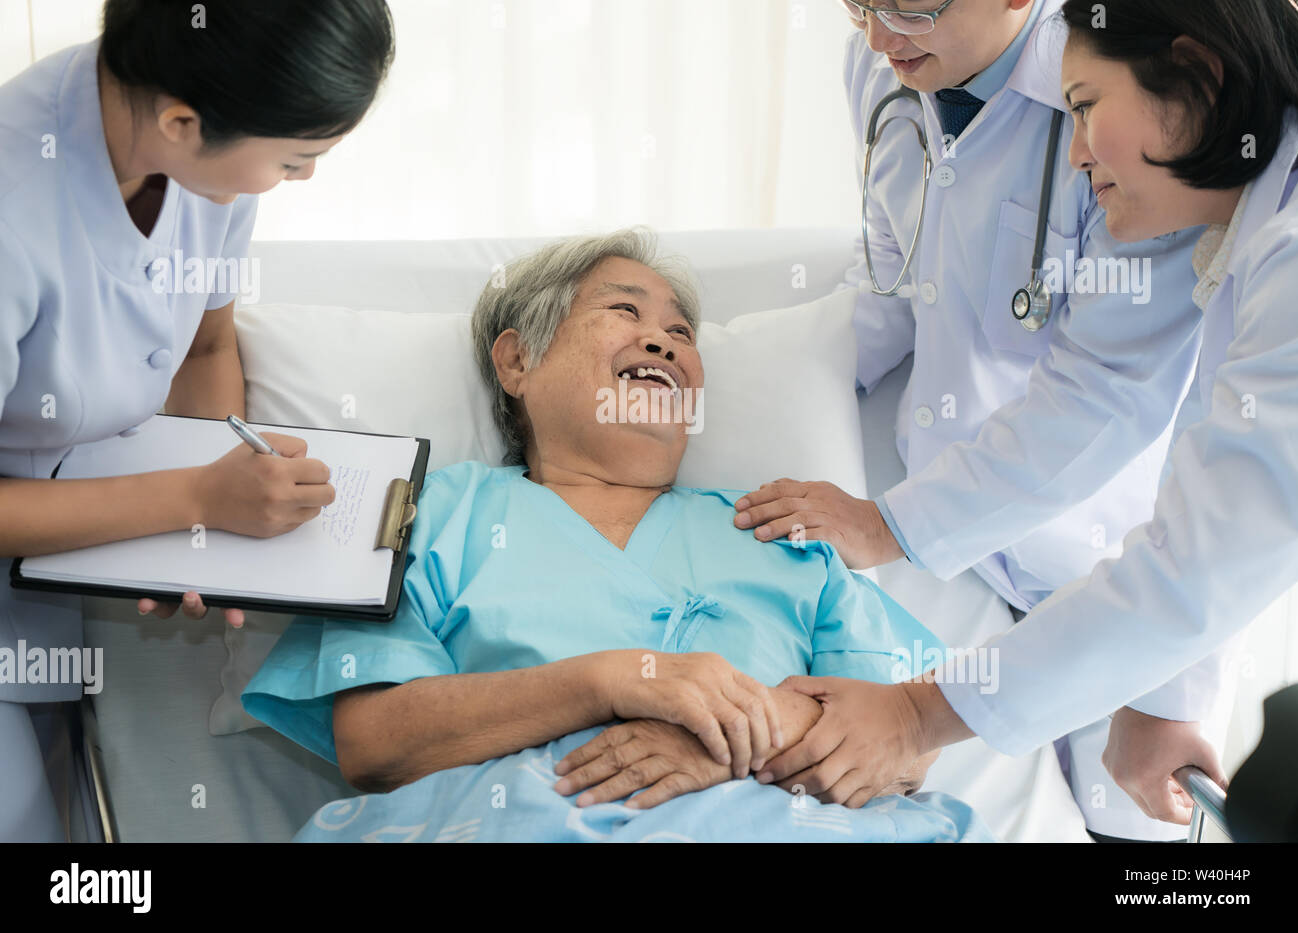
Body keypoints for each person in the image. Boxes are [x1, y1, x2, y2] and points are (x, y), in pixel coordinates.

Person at [754, 0, 1298, 833]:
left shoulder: (1286, 250)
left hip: (1094, 564)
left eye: (1086, 107)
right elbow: (895, 276)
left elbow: (1198, 544)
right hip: (988, 564)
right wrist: (752, 373)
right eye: (853, 1)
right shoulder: (1258, 218)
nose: (1080, 154)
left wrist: (913, 716)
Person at [240, 230, 991, 843]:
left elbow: (901, 746)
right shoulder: (432, 513)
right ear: (517, 360)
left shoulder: (780, 530)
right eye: (624, 311)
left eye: (680, 331)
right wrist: (611, 681)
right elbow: (375, 742)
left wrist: (727, 743)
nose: (663, 342)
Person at [0, 0, 395, 840]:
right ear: (184, 122)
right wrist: (190, 500)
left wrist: (210, 528)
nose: (307, 175)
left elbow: (206, 349)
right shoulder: (10, 207)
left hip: (79, 580)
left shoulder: (198, 160)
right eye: (295, 158)